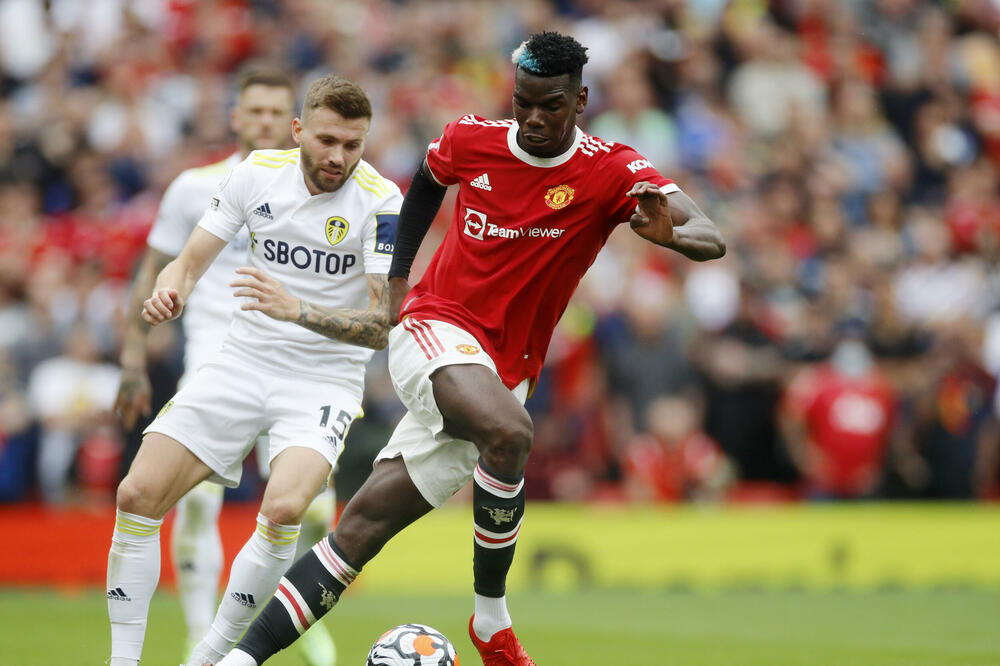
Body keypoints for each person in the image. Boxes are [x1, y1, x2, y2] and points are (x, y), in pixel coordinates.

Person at [217, 31, 725, 666]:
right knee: (510, 434)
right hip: (434, 328)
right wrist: (397, 287)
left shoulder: (611, 170)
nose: (534, 119)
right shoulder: (471, 138)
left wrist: (671, 235)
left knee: (361, 529)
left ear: (581, 100)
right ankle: (492, 623)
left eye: (552, 106)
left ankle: (233, 661)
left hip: (501, 372)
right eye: (524, 103)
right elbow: (426, 182)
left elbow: (710, 235)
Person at [105, 75, 402, 666]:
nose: (338, 157)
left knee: (287, 507)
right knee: (136, 494)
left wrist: (299, 310)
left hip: (322, 379)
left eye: (352, 145)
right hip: (241, 360)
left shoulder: (383, 202)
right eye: (326, 141)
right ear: (298, 131)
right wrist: (171, 295)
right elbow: (184, 264)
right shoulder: (253, 174)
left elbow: (381, 323)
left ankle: (211, 657)